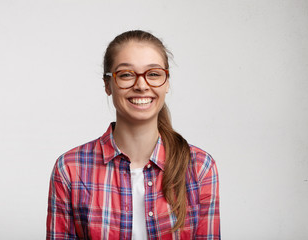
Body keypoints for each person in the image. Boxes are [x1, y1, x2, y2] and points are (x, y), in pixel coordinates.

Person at [46, 30, 220, 240]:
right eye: (126, 74)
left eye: (154, 74)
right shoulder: (70, 169)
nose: (141, 85)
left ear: (167, 83)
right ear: (107, 85)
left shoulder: (200, 167)